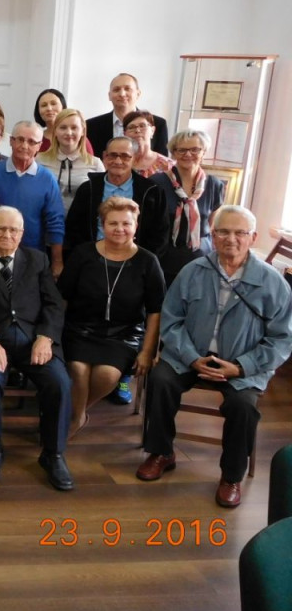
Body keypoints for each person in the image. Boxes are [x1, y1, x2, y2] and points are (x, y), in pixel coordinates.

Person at [137, 206, 292, 508]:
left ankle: (231, 475)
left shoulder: (273, 282)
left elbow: (282, 340)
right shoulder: (193, 271)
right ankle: (161, 452)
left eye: (239, 233)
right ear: (213, 234)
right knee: (161, 380)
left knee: (243, 406)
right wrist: (192, 358)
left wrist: (240, 367)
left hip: (242, 365)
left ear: (253, 238)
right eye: (223, 231)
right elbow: (171, 321)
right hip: (190, 356)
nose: (230, 239)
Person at [0, 207, 73, 491]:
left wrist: (46, 337)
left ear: (22, 234)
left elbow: (53, 303)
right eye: (1, 228)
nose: (8, 235)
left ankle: (53, 454)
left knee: (60, 382)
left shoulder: (37, 260)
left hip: (33, 341)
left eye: (14, 230)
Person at [57, 197, 166, 437]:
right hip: (79, 328)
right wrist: (53, 334)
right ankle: (75, 417)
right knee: (77, 369)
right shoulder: (83, 254)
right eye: (113, 223)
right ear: (102, 225)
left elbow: (156, 311)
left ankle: (72, 412)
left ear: (136, 226)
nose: (119, 229)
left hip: (123, 333)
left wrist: (148, 351)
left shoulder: (148, 262)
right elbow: (62, 296)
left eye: (126, 224)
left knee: (107, 375)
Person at [64, 136, 169, 258]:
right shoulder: (88, 189)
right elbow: (73, 229)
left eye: (125, 156)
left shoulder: (152, 191)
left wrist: (142, 261)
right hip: (92, 260)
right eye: (113, 155)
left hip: (135, 263)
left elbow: (161, 234)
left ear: (135, 159)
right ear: (105, 156)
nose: (118, 161)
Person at [0, 121, 65, 278]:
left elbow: (55, 222)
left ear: (39, 146)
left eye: (31, 142)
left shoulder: (47, 179)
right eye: (20, 139)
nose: (24, 146)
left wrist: (57, 262)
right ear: (11, 141)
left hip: (32, 257)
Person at [150, 129, 226, 285]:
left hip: (201, 260)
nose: (188, 154)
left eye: (195, 149)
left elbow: (212, 225)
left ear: (204, 152)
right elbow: (149, 225)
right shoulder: (156, 182)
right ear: (173, 153)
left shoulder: (214, 185)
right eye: (181, 150)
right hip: (164, 260)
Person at [36, 108, 104, 212]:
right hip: (46, 222)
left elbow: (102, 201)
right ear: (55, 131)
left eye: (74, 128)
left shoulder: (95, 164)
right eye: (63, 128)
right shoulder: (39, 160)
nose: (69, 132)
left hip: (80, 225)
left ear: (82, 131)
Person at [86, 73, 169, 157]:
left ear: (138, 93)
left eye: (127, 89)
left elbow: (162, 161)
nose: (122, 94)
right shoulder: (91, 126)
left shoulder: (158, 123)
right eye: (116, 90)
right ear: (109, 96)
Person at [32, 88, 95, 155]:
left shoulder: (78, 138)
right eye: (44, 105)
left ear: (63, 107)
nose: (49, 108)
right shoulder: (35, 138)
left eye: (53, 103)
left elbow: (89, 162)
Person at [124, 109, 175, 177]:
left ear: (152, 130)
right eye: (131, 127)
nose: (137, 130)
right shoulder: (119, 162)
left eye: (142, 126)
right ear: (125, 134)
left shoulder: (168, 165)